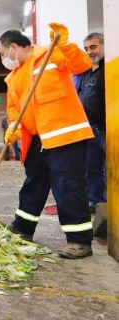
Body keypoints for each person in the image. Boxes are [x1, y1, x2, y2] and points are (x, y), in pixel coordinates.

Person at [0, 23, 95, 259]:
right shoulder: (13, 77)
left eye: (2, 54)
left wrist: (65, 45)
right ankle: (22, 228)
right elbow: (14, 109)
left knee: (68, 186)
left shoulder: (50, 54)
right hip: (37, 140)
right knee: (34, 185)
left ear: (13, 47)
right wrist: (14, 127)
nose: (3, 59)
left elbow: (82, 65)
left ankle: (79, 241)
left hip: (64, 135)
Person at [77, 32, 106, 214]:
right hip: (88, 129)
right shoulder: (86, 74)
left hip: (106, 129)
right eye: (86, 48)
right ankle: (95, 202)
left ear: (104, 46)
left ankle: (105, 203)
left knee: (109, 169)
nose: (89, 51)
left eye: (93, 47)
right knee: (91, 169)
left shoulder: (109, 70)